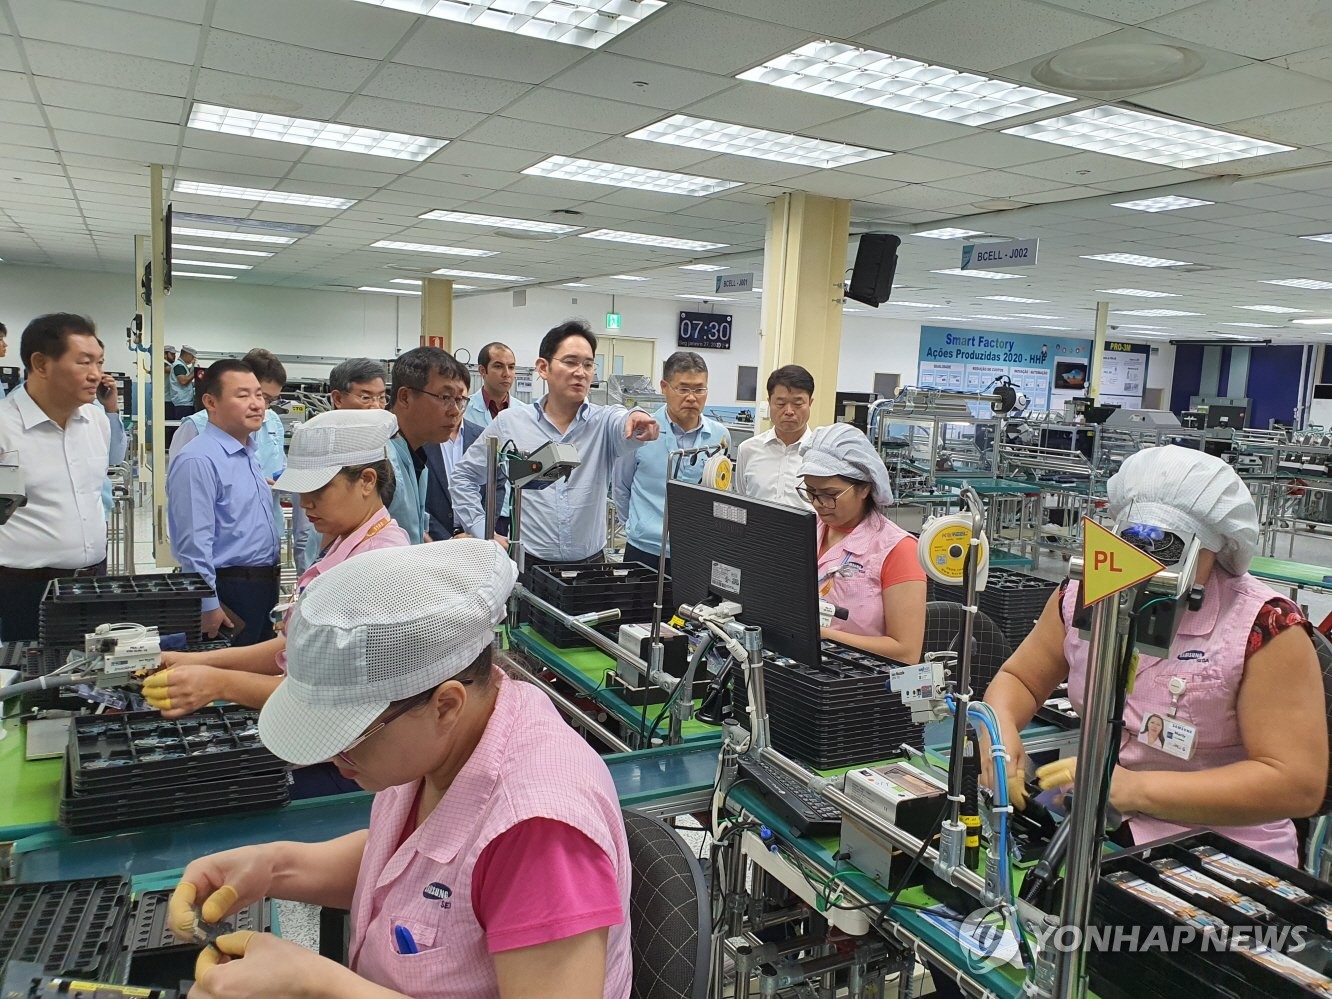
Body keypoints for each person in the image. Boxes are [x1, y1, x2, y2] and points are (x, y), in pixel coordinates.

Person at [167, 540, 632, 999]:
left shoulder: (539, 834)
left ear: (446, 704)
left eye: (349, 739)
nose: (333, 759)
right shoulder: (450, 736)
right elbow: (413, 862)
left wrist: (316, 984)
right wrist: (274, 868)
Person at [982, 446, 1326, 867]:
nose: (1146, 566)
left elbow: (1295, 784)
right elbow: (1021, 678)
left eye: (1170, 550)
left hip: (1221, 852)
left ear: (1216, 547)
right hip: (1100, 824)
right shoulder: (1086, 591)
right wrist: (998, 736)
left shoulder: (1264, 626)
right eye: (1135, 542)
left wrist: (1135, 790)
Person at [147, 409, 409, 797]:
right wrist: (197, 662)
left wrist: (218, 683)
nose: (305, 504)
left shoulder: (375, 566)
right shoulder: (346, 542)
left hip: (347, 765)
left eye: (318, 491)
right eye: (302, 491)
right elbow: (294, 650)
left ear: (366, 481)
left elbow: (324, 695)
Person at [451, 320, 659, 568]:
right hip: (528, 565)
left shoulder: (603, 424)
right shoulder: (511, 423)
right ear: (543, 367)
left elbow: (621, 418)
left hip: (590, 567)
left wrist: (634, 416)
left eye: (588, 364)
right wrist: (482, 529)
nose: (580, 372)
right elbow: (463, 477)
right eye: (570, 362)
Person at [0, 314, 123, 640]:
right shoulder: (4, 427)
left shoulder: (97, 421)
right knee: (26, 683)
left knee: (90, 683)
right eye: (84, 363)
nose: (96, 374)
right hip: (23, 589)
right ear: (41, 364)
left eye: (99, 362)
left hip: (93, 580)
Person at [167, 360, 280, 645]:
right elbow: (193, 543)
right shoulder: (198, 459)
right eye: (242, 395)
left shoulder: (247, 453)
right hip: (228, 591)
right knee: (227, 681)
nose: (257, 404)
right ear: (210, 402)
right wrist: (208, 604)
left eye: (259, 395)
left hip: (263, 587)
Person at [798, 423, 925, 664]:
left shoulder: (898, 550)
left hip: (858, 683)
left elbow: (906, 652)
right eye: (811, 491)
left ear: (864, 488)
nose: (818, 503)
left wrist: (824, 636)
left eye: (830, 494)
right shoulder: (806, 529)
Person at [612, 350, 728, 573]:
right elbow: (620, 488)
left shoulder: (719, 438)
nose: (692, 397)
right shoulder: (641, 432)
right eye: (683, 389)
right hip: (644, 550)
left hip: (695, 552)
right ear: (664, 387)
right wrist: (640, 526)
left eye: (699, 389)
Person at [386, 346, 471, 543]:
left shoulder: (414, 455)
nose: (455, 411)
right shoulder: (381, 463)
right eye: (445, 398)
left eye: (459, 400)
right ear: (405, 397)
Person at [737, 364, 815, 508]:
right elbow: (743, 501)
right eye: (781, 403)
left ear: (810, 403)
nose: (789, 411)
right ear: (770, 403)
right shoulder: (747, 450)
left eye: (798, 403)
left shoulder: (821, 453)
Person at [463, 340, 517, 434]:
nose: (507, 374)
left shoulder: (524, 412)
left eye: (511, 367)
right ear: (482, 370)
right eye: (498, 366)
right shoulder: (464, 410)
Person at [168, 344, 198, 418]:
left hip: (185, 402)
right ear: (187, 354)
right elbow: (183, 381)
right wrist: (196, 372)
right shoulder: (179, 366)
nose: (193, 358)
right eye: (192, 356)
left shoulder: (182, 365)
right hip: (182, 404)